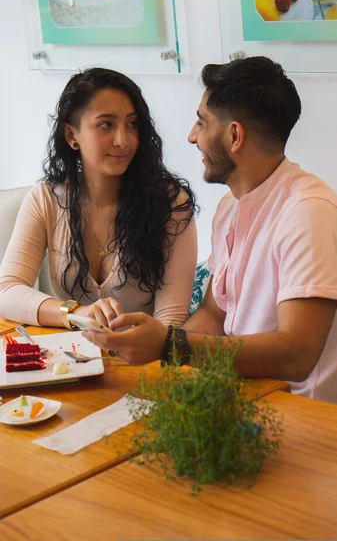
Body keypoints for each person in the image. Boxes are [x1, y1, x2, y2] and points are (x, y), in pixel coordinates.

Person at [82, 56, 337, 404]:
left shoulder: (308, 212)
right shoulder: (230, 206)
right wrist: (160, 359)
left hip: (301, 418)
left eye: (201, 122)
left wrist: (170, 344)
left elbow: (297, 355)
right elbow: (216, 314)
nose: (191, 136)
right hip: (235, 399)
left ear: (234, 135)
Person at [0, 68, 198, 329]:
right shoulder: (44, 200)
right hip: (71, 360)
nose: (123, 140)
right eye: (106, 124)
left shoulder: (170, 203)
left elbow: (170, 319)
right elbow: (7, 290)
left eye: (132, 123)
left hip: (144, 359)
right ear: (72, 135)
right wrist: (76, 313)